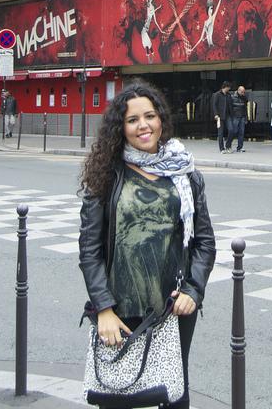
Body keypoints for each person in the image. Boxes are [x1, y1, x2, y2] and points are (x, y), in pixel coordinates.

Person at [78, 82, 216, 409]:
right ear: (120, 128)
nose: (143, 125)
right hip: (120, 309)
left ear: (161, 120)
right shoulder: (107, 175)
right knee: (117, 396)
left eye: (150, 116)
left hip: (171, 307)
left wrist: (193, 290)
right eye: (132, 120)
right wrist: (104, 309)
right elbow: (90, 249)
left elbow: (204, 241)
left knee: (173, 394)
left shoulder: (185, 173)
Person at [226, 84, 248, 153]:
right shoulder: (232, 97)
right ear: (238, 91)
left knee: (241, 132)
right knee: (234, 131)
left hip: (242, 117)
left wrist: (246, 117)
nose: (243, 93)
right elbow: (229, 107)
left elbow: (245, 108)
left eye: (244, 92)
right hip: (235, 116)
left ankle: (240, 147)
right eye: (242, 92)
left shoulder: (244, 98)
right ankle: (228, 145)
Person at [211, 81, 231, 154]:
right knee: (220, 133)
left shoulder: (228, 95)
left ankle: (228, 145)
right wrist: (216, 114)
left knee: (231, 130)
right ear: (225, 87)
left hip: (228, 115)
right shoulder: (217, 94)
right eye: (228, 88)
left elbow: (230, 105)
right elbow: (214, 105)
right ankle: (222, 148)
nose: (229, 89)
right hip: (219, 116)